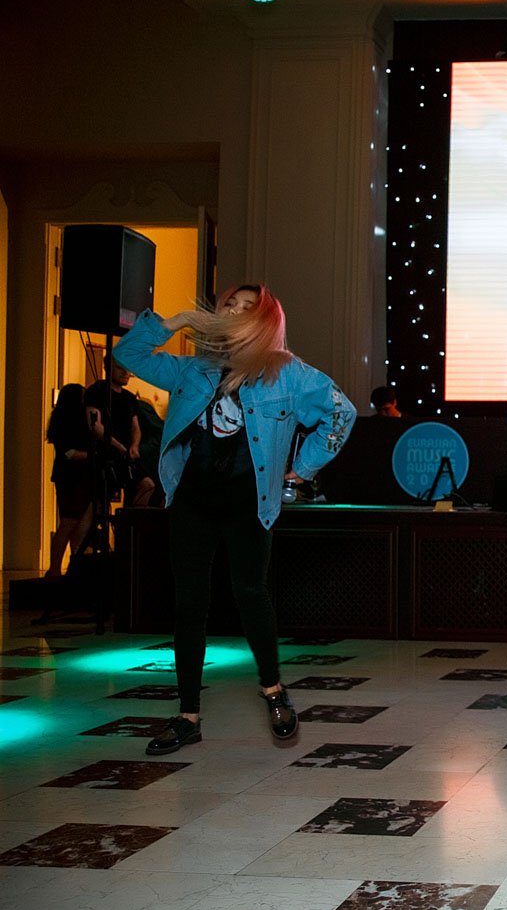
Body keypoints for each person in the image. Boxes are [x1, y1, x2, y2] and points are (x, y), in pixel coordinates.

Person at [115, 283, 355, 756]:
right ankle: (187, 717)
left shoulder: (286, 373)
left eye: (249, 308)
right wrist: (178, 320)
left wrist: (301, 468)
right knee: (189, 603)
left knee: (250, 592)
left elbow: (340, 414)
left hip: (249, 502)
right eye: (230, 304)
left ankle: (273, 690)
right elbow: (129, 354)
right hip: (193, 498)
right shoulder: (194, 370)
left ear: (265, 321)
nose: (236, 312)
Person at [85, 361, 157, 507]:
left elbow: (135, 427)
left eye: (128, 369)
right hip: (104, 454)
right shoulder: (96, 392)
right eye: (120, 368)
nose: (125, 373)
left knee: (147, 485)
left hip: (126, 456)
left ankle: (130, 519)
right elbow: (95, 425)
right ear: (108, 368)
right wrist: (118, 446)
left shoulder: (129, 398)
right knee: (100, 501)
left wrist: (134, 445)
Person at [44, 384, 97, 579]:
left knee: (76, 523)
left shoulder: (64, 421)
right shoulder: (67, 424)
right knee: (69, 522)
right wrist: (92, 456)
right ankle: (56, 568)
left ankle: (71, 566)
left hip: (76, 476)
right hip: (71, 477)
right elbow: (68, 453)